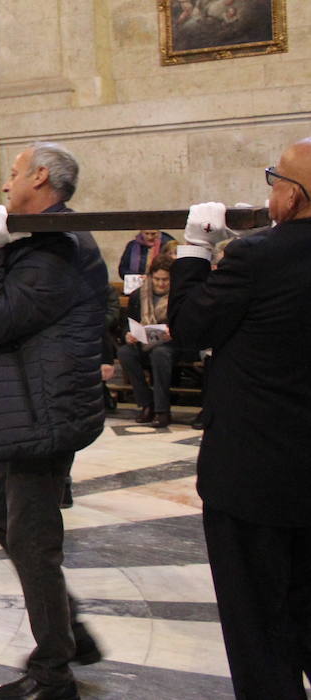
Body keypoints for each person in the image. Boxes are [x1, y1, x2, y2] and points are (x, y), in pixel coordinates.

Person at [0, 141, 109, 699]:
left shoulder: (56, 248)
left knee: (32, 538)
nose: (5, 183)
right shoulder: (37, 243)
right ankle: (71, 634)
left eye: (14, 172)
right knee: (2, 517)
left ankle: (53, 673)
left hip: (45, 409)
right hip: (28, 406)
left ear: (41, 177)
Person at [168, 138, 311, 699]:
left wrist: (194, 252)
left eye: (275, 178)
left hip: (254, 474)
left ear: (294, 197)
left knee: (257, 626)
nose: (269, 188)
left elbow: (189, 329)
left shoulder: (257, 257)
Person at [115, 256, 179, 427]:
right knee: (125, 353)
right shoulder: (139, 295)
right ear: (151, 277)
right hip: (143, 342)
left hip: (172, 345)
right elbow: (127, 324)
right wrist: (128, 334)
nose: (161, 284)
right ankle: (146, 404)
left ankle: (162, 410)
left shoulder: (178, 296)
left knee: (160, 354)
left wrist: (170, 332)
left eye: (165, 280)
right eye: (157, 279)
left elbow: (186, 325)